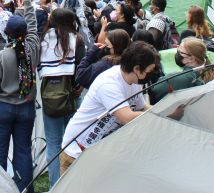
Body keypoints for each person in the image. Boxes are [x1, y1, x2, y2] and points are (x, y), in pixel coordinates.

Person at [60, 42, 159, 175]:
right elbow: (127, 117)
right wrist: (158, 113)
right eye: (149, 70)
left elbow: (141, 107)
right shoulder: (109, 84)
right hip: (77, 152)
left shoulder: (134, 81)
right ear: (136, 69)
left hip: (99, 152)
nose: (151, 74)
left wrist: (167, 110)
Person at [0, 0, 39, 193]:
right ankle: (24, 188)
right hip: (26, 107)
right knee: (23, 149)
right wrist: (27, 1)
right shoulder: (33, 48)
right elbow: (32, 26)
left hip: (2, 108)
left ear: (6, 33)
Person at [38, 7, 83, 188]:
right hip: (72, 95)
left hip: (50, 96)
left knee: (53, 143)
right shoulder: (77, 39)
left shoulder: (43, 40)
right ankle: (73, 183)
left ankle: (55, 186)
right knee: (73, 140)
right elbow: (81, 67)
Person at [150, 37, 214, 104]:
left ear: (191, 59)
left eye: (180, 52)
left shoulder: (174, 79)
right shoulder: (210, 74)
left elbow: (154, 93)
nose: (177, 54)